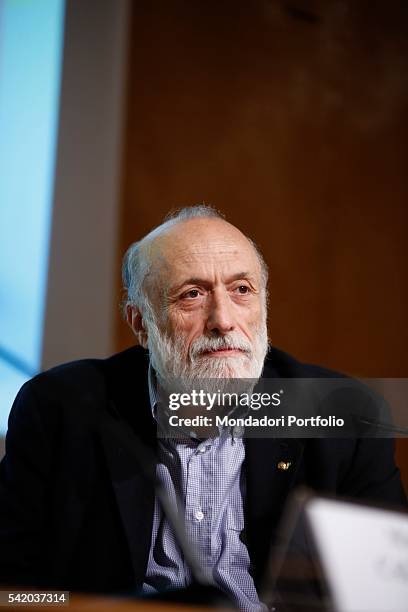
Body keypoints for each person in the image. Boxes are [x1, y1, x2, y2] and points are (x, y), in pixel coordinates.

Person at [0, 206, 406, 609]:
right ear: (141, 323)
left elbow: (386, 594)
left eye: (241, 290)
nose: (223, 319)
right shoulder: (61, 409)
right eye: (192, 295)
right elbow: (16, 594)